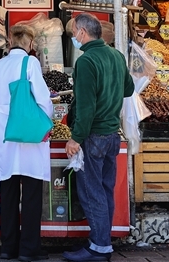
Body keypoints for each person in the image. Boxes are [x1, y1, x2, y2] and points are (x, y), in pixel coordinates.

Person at [63, 14, 134, 262]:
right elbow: (128, 89)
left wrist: (75, 138)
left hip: (93, 136)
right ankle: (102, 241)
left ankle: (99, 247)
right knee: (104, 190)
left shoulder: (86, 61)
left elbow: (85, 107)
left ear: (82, 33)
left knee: (92, 191)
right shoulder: (116, 56)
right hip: (112, 135)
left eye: (73, 32)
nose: (73, 37)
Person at [0, 24, 53, 262]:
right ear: (29, 43)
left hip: (6, 135)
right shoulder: (31, 64)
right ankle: (29, 248)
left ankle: (8, 247)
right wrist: (47, 123)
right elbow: (44, 100)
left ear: (10, 42)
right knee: (31, 192)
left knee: (8, 189)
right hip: (29, 135)